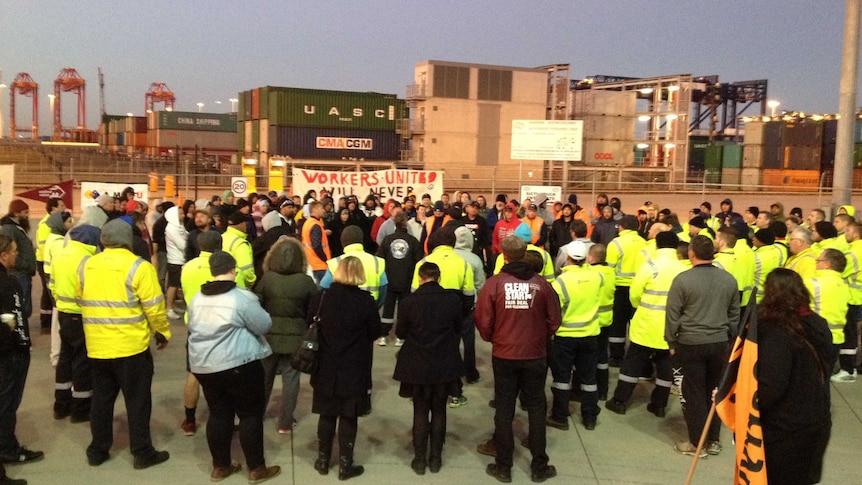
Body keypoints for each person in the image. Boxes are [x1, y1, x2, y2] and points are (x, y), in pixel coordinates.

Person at [77, 219, 171, 469]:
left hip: (97, 347)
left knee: (101, 400)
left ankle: (97, 450)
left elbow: (80, 297)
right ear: (127, 239)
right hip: (131, 348)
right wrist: (162, 333)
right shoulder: (138, 267)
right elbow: (154, 306)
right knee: (138, 401)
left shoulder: (86, 265)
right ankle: (142, 452)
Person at [186, 250, 279, 483]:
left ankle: (220, 466)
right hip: (239, 364)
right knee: (249, 415)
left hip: (204, 366)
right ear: (233, 270)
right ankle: (256, 468)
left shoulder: (198, 298)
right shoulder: (241, 298)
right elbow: (264, 324)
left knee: (218, 414)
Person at [474, 236, 560, 483]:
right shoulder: (542, 285)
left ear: (503, 254)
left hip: (505, 354)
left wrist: (495, 338)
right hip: (534, 355)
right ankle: (539, 466)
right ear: (525, 254)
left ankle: (503, 466)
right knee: (536, 407)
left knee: (504, 408)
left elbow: (483, 320)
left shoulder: (494, 284)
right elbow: (554, 320)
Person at [757, 269, 836, 485]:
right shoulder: (817, 324)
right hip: (816, 421)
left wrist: (744, 402)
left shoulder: (777, 334)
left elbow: (771, 387)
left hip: (786, 430)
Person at [665, 235, 739, 458]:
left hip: (691, 342)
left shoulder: (683, 280)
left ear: (691, 253)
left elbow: (673, 314)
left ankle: (697, 443)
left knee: (694, 392)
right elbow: (735, 313)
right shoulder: (728, 279)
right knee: (715, 391)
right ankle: (714, 439)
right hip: (719, 343)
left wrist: (671, 341)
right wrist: (729, 337)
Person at [310, 257, 380, 480]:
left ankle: (323, 460)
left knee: (327, 413)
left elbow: (309, 322)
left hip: (325, 365)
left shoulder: (322, 298)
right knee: (349, 416)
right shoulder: (365, 301)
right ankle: (345, 464)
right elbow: (376, 331)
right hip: (354, 366)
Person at [393, 262, 464, 475]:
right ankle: (435, 459)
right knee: (440, 409)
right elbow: (458, 328)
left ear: (420, 278)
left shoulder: (409, 302)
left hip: (417, 363)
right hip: (444, 363)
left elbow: (402, 333)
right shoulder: (452, 300)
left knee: (420, 410)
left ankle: (419, 459)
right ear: (439, 278)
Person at [605, 232, 685, 417]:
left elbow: (634, 294)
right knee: (666, 366)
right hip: (671, 328)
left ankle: (620, 401)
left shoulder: (649, 266)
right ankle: (659, 405)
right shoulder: (683, 269)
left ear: (657, 245)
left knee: (633, 363)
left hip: (646, 324)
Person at [254, 238, 318, 433]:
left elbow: (256, 306)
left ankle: (257, 415)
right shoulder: (306, 282)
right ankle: (285, 422)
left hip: (268, 337)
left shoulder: (267, 279)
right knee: (291, 380)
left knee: (264, 378)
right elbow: (313, 310)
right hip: (296, 337)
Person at [548, 240, 603, 431]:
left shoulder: (560, 282)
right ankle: (589, 417)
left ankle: (560, 416)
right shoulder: (597, 277)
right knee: (589, 379)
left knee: (562, 378)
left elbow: (555, 312)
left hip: (565, 337)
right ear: (586, 258)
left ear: (568, 258)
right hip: (590, 335)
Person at [0, 234, 43, 471]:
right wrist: (24, 346)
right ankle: (8, 449)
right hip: (10, 353)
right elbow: (17, 318)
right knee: (7, 403)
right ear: (3, 255)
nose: (17, 254)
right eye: (14, 251)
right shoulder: (9, 284)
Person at [49, 224, 100, 423]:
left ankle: (61, 405)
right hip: (81, 315)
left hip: (63, 312)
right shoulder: (87, 260)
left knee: (65, 359)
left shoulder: (60, 255)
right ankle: (80, 409)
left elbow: (52, 284)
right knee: (82, 363)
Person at [177, 230, 223, 436]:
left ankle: (189, 421)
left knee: (193, 373)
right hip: (221, 327)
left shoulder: (188, 267)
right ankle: (221, 416)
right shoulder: (224, 268)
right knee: (223, 374)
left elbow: (185, 290)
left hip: (195, 326)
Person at [803, 248, 851, 381]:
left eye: (818, 261)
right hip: (836, 338)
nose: (816, 264)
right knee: (825, 380)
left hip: (815, 337)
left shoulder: (812, 283)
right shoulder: (843, 285)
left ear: (827, 264)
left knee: (810, 381)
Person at [377, 212, 423, 346]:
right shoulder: (413, 241)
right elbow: (419, 262)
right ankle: (400, 337)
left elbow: (380, 259)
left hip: (389, 280)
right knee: (404, 310)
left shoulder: (387, 240)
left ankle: (383, 336)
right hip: (407, 281)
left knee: (388, 310)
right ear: (406, 223)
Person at [606, 215, 647, 364]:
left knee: (617, 324)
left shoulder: (615, 244)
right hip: (640, 288)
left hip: (620, 288)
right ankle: (636, 355)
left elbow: (609, 270)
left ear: (621, 227)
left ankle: (616, 356)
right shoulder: (645, 244)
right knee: (636, 323)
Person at [0, 200, 36, 323]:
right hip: (19, 273)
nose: (27, 215)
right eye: (25, 212)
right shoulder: (10, 229)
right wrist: (24, 264)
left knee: (24, 307)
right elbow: (9, 249)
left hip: (22, 272)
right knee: (21, 307)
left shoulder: (17, 227)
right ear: (16, 213)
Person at [35, 197, 66, 334]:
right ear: (53, 208)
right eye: (61, 206)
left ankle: (48, 319)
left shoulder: (54, 222)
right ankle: (45, 321)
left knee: (48, 292)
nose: (64, 208)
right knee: (47, 292)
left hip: (49, 261)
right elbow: (43, 246)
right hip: (45, 262)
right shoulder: (46, 224)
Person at [163, 205, 188, 320]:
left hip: (181, 259)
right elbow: (182, 245)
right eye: (181, 214)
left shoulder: (180, 226)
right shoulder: (171, 228)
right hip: (175, 260)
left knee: (176, 285)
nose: (184, 215)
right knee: (173, 285)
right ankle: (168, 308)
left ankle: (172, 306)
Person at [222, 211, 257, 289]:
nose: (246, 225)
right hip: (238, 287)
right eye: (245, 223)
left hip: (221, 284)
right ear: (240, 224)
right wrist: (251, 283)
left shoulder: (221, 237)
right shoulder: (241, 244)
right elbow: (246, 271)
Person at [302, 201, 332, 285]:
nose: (324, 210)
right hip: (319, 265)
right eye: (321, 208)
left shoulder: (308, 223)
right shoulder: (315, 225)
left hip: (312, 263)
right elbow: (316, 245)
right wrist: (325, 258)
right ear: (314, 209)